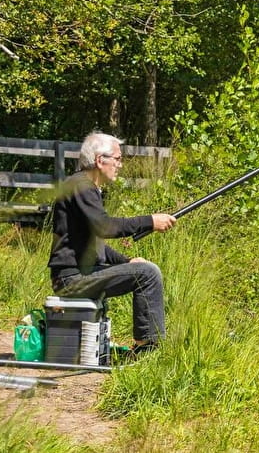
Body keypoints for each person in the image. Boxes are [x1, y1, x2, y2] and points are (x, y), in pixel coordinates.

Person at [48, 132, 177, 353]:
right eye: (117, 159)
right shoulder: (82, 186)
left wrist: (127, 261)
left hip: (76, 275)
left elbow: (95, 242)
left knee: (142, 269)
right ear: (100, 160)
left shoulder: (84, 186)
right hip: (71, 279)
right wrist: (150, 221)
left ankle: (146, 346)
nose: (120, 164)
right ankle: (147, 350)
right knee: (148, 274)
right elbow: (104, 227)